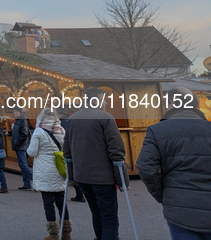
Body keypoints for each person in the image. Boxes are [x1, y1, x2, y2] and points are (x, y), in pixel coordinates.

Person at [137, 87, 211, 239]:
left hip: (179, 210)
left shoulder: (157, 131)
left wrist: (162, 195)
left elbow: (145, 167)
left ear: (172, 102)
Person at [63, 87, 129, 240]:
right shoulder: (105, 117)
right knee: (109, 217)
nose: (105, 102)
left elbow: (67, 151)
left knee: (96, 213)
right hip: (102, 178)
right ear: (94, 100)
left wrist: (72, 175)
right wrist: (122, 180)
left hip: (83, 176)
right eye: (103, 99)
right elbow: (117, 150)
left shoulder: (73, 119)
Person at [28, 109, 73, 240]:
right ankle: (66, 233)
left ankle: (53, 234)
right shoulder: (61, 130)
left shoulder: (39, 131)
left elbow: (32, 152)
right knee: (61, 201)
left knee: (48, 202)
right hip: (59, 169)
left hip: (45, 171)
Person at [58, 107, 84, 203]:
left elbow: (66, 137)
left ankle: (80, 194)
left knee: (71, 173)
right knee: (73, 172)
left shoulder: (63, 123)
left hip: (69, 149)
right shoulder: (69, 121)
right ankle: (79, 194)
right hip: (73, 149)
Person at [11, 107, 33, 190]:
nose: (14, 113)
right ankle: (26, 184)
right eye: (14, 112)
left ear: (20, 112)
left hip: (22, 146)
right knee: (23, 165)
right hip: (20, 146)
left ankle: (35, 180)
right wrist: (10, 133)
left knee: (23, 165)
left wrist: (18, 143)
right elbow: (19, 132)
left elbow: (24, 133)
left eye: (16, 112)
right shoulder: (18, 120)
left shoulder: (23, 120)